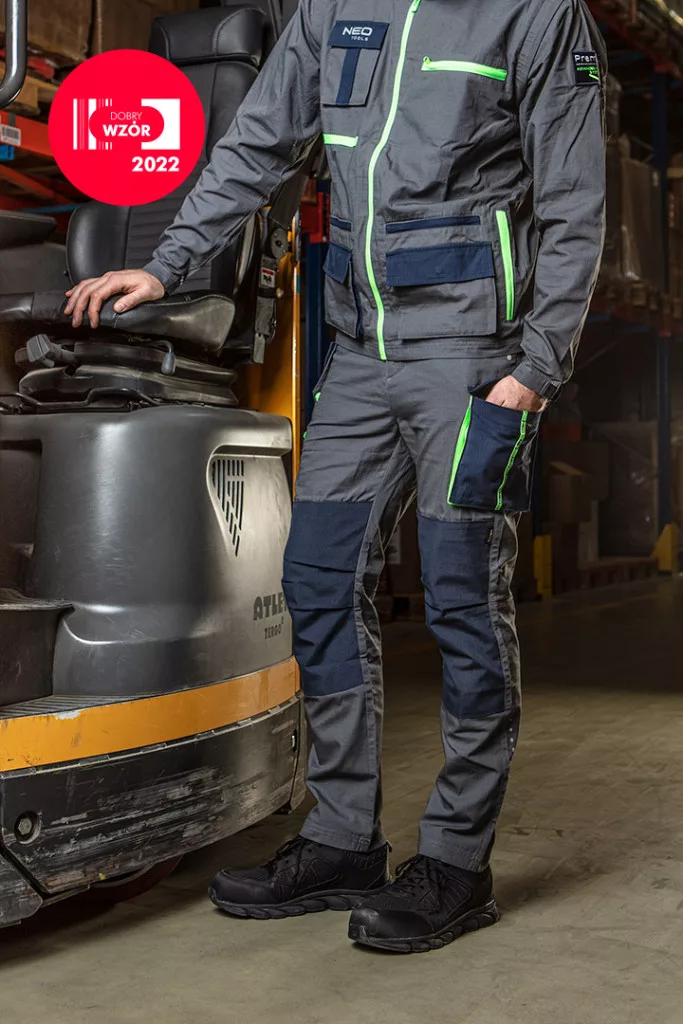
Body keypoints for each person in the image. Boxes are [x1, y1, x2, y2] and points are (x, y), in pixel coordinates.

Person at [65, 0, 606, 954]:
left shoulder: (533, 12)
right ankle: (343, 839)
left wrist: (535, 367)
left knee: (463, 599)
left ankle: (455, 862)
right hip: (358, 356)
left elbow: (573, 201)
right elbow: (258, 143)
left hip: (470, 357)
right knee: (316, 580)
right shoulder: (334, 7)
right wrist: (169, 265)